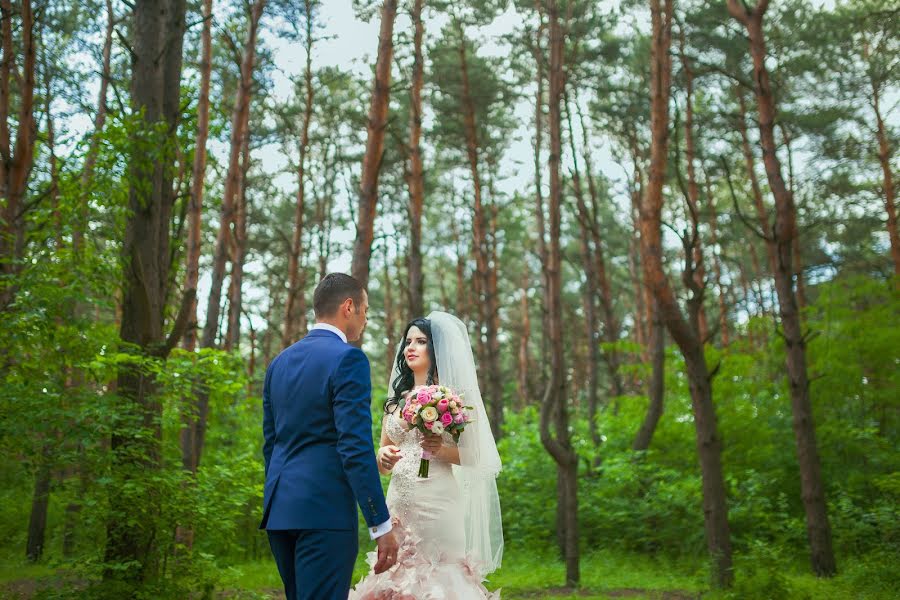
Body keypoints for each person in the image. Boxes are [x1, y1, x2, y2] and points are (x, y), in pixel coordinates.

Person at [260, 273, 399, 600]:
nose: (365, 319)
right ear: (348, 307)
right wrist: (380, 524)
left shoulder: (278, 364)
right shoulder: (348, 359)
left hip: (280, 511)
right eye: (365, 310)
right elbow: (354, 447)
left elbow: (271, 445)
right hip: (324, 514)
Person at [350, 311, 503, 599]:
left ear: (436, 349)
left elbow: (478, 456)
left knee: (439, 572)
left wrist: (443, 450)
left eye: (420, 341)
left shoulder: (454, 399)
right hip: (398, 501)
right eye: (408, 341)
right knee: (396, 574)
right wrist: (383, 457)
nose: (410, 347)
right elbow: (382, 455)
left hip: (439, 500)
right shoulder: (395, 401)